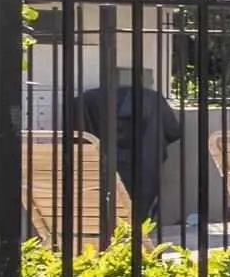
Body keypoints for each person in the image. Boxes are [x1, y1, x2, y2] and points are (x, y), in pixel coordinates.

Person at [71, 81, 182, 227]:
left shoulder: (87, 103)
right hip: (145, 165)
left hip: (101, 169)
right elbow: (173, 131)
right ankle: (134, 228)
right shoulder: (152, 103)